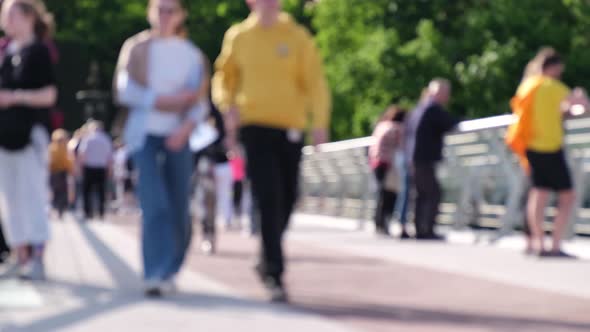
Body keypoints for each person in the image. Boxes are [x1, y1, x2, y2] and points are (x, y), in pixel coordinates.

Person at [213, 0, 331, 302]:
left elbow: (315, 82)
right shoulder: (239, 36)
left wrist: (319, 122)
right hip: (255, 127)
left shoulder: (297, 36)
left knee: (289, 197)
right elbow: (223, 78)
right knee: (269, 197)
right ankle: (274, 274)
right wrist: (228, 106)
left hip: (290, 128)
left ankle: (266, 254)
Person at [114, 0, 208, 297]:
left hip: (178, 136)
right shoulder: (136, 48)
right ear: (151, 13)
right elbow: (124, 89)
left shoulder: (192, 55)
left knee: (179, 205)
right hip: (145, 136)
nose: (165, 16)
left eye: (172, 10)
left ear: (181, 16)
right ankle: (153, 272)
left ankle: (172, 267)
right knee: (154, 203)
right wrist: (161, 100)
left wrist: (185, 128)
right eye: (160, 9)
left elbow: (200, 101)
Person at [507, 48, 589, 257]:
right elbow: (582, 106)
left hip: (531, 146)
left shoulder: (528, 86)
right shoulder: (553, 86)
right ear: (552, 68)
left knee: (539, 193)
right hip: (551, 147)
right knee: (567, 195)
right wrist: (580, 95)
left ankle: (538, 243)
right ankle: (554, 244)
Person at [0, 0, 57, 280]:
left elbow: (49, 95)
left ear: (28, 17)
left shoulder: (38, 51)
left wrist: (14, 98)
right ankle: (19, 253)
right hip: (5, 134)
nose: (6, 19)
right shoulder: (8, 52)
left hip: (30, 133)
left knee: (32, 194)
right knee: (9, 197)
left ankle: (37, 256)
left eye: (10, 14)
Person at [405, 79, 460, 240]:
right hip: (424, 158)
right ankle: (427, 230)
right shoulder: (432, 109)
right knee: (433, 193)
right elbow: (450, 123)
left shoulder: (418, 109)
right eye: (446, 93)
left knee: (421, 195)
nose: (448, 97)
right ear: (439, 93)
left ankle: (419, 229)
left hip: (413, 157)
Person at [368, 106, 406, 236]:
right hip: (388, 163)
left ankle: (378, 222)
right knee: (389, 193)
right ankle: (384, 223)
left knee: (381, 193)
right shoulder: (397, 128)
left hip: (375, 162)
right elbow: (402, 146)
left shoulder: (382, 125)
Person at [78, 120, 113, 221]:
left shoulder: (87, 139)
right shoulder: (106, 139)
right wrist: (110, 170)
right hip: (101, 168)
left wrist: (80, 167)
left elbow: (82, 154)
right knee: (101, 191)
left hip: (89, 168)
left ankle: (87, 213)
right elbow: (109, 157)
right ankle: (101, 213)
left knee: (87, 191)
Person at [49, 129, 74, 219]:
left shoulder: (52, 148)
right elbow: (69, 162)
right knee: (61, 192)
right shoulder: (65, 149)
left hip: (55, 173)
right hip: (61, 173)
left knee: (56, 192)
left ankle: (56, 208)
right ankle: (59, 209)